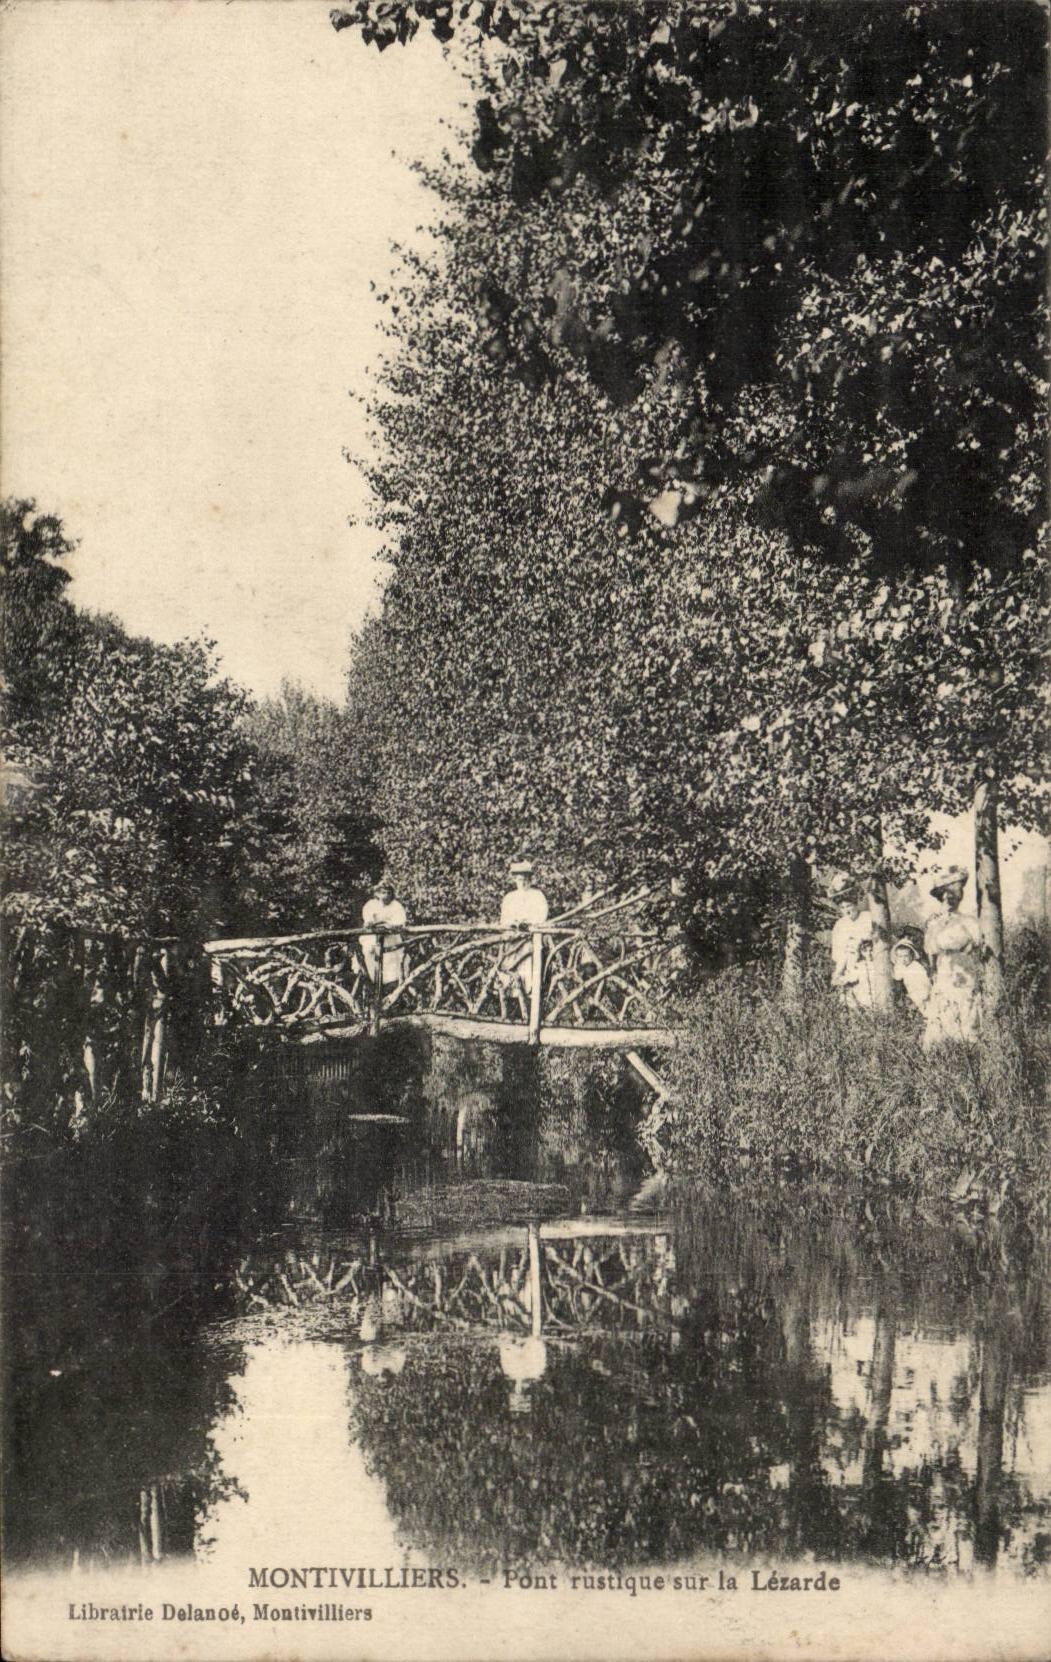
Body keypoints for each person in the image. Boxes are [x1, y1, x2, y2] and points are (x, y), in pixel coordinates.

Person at [922, 865, 981, 1048]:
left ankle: (967, 1043)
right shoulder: (934, 922)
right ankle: (945, 1046)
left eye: (953, 898)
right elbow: (930, 949)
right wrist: (933, 970)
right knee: (944, 1001)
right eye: (946, 898)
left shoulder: (968, 920)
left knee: (966, 1002)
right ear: (941, 899)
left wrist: (967, 951)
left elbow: (977, 943)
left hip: (963, 964)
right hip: (944, 966)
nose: (949, 901)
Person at [497, 859, 549, 1018]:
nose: (522, 882)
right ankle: (511, 1008)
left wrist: (529, 923)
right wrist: (512, 923)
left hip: (529, 940)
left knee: (528, 972)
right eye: (519, 879)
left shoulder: (537, 896)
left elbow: (542, 916)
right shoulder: (509, 897)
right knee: (510, 971)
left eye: (525, 879)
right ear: (515, 880)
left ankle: (530, 1007)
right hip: (512, 941)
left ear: (530, 879)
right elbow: (504, 919)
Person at [827, 873, 874, 1011]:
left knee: (869, 993)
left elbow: (875, 938)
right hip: (849, 964)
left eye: (849, 906)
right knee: (849, 995)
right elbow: (839, 953)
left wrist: (862, 941)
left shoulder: (867, 917)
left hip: (868, 962)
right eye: (843, 908)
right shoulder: (840, 925)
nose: (846, 911)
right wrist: (839, 971)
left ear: (855, 904)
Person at [360, 876, 408, 988]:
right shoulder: (371, 905)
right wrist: (382, 922)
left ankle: (391, 985)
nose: (386, 895)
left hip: (391, 939)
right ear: (377, 893)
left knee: (392, 961)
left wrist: (385, 924)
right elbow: (368, 922)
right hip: (373, 937)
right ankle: (374, 983)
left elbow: (399, 922)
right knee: (371, 954)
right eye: (383, 892)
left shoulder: (396, 905)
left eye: (388, 893)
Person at [891, 937, 931, 1017]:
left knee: (925, 1013)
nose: (903, 959)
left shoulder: (916, 967)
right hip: (911, 995)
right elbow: (897, 977)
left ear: (912, 955)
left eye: (906, 956)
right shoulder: (902, 967)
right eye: (900, 956)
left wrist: (920, 998)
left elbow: (925, 984)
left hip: (920, 994)